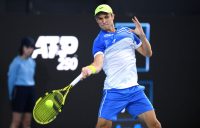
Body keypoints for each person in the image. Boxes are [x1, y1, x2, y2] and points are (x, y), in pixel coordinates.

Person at [81, 4, 161, 128]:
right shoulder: (99, 41)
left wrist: (142, 36)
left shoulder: (127, 32)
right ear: (97, 21)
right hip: (114, 91)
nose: (103, 21)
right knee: (103, 126)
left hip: (134, 91)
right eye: (100, 18)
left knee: (155, 124)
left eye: (106, 17)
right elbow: (98, 64)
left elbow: (147, 53)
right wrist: (90, 69)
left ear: (113, 16)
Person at [8, 36, 36, 128]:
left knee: (27, 122)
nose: (29, 50)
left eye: (31, 47)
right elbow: (11, 80)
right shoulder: (16, 62)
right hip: (19, 92)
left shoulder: (32, 62)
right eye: (27, 47)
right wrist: (11, 95)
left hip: (30, 91)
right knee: (16, 121)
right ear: (22, 47)